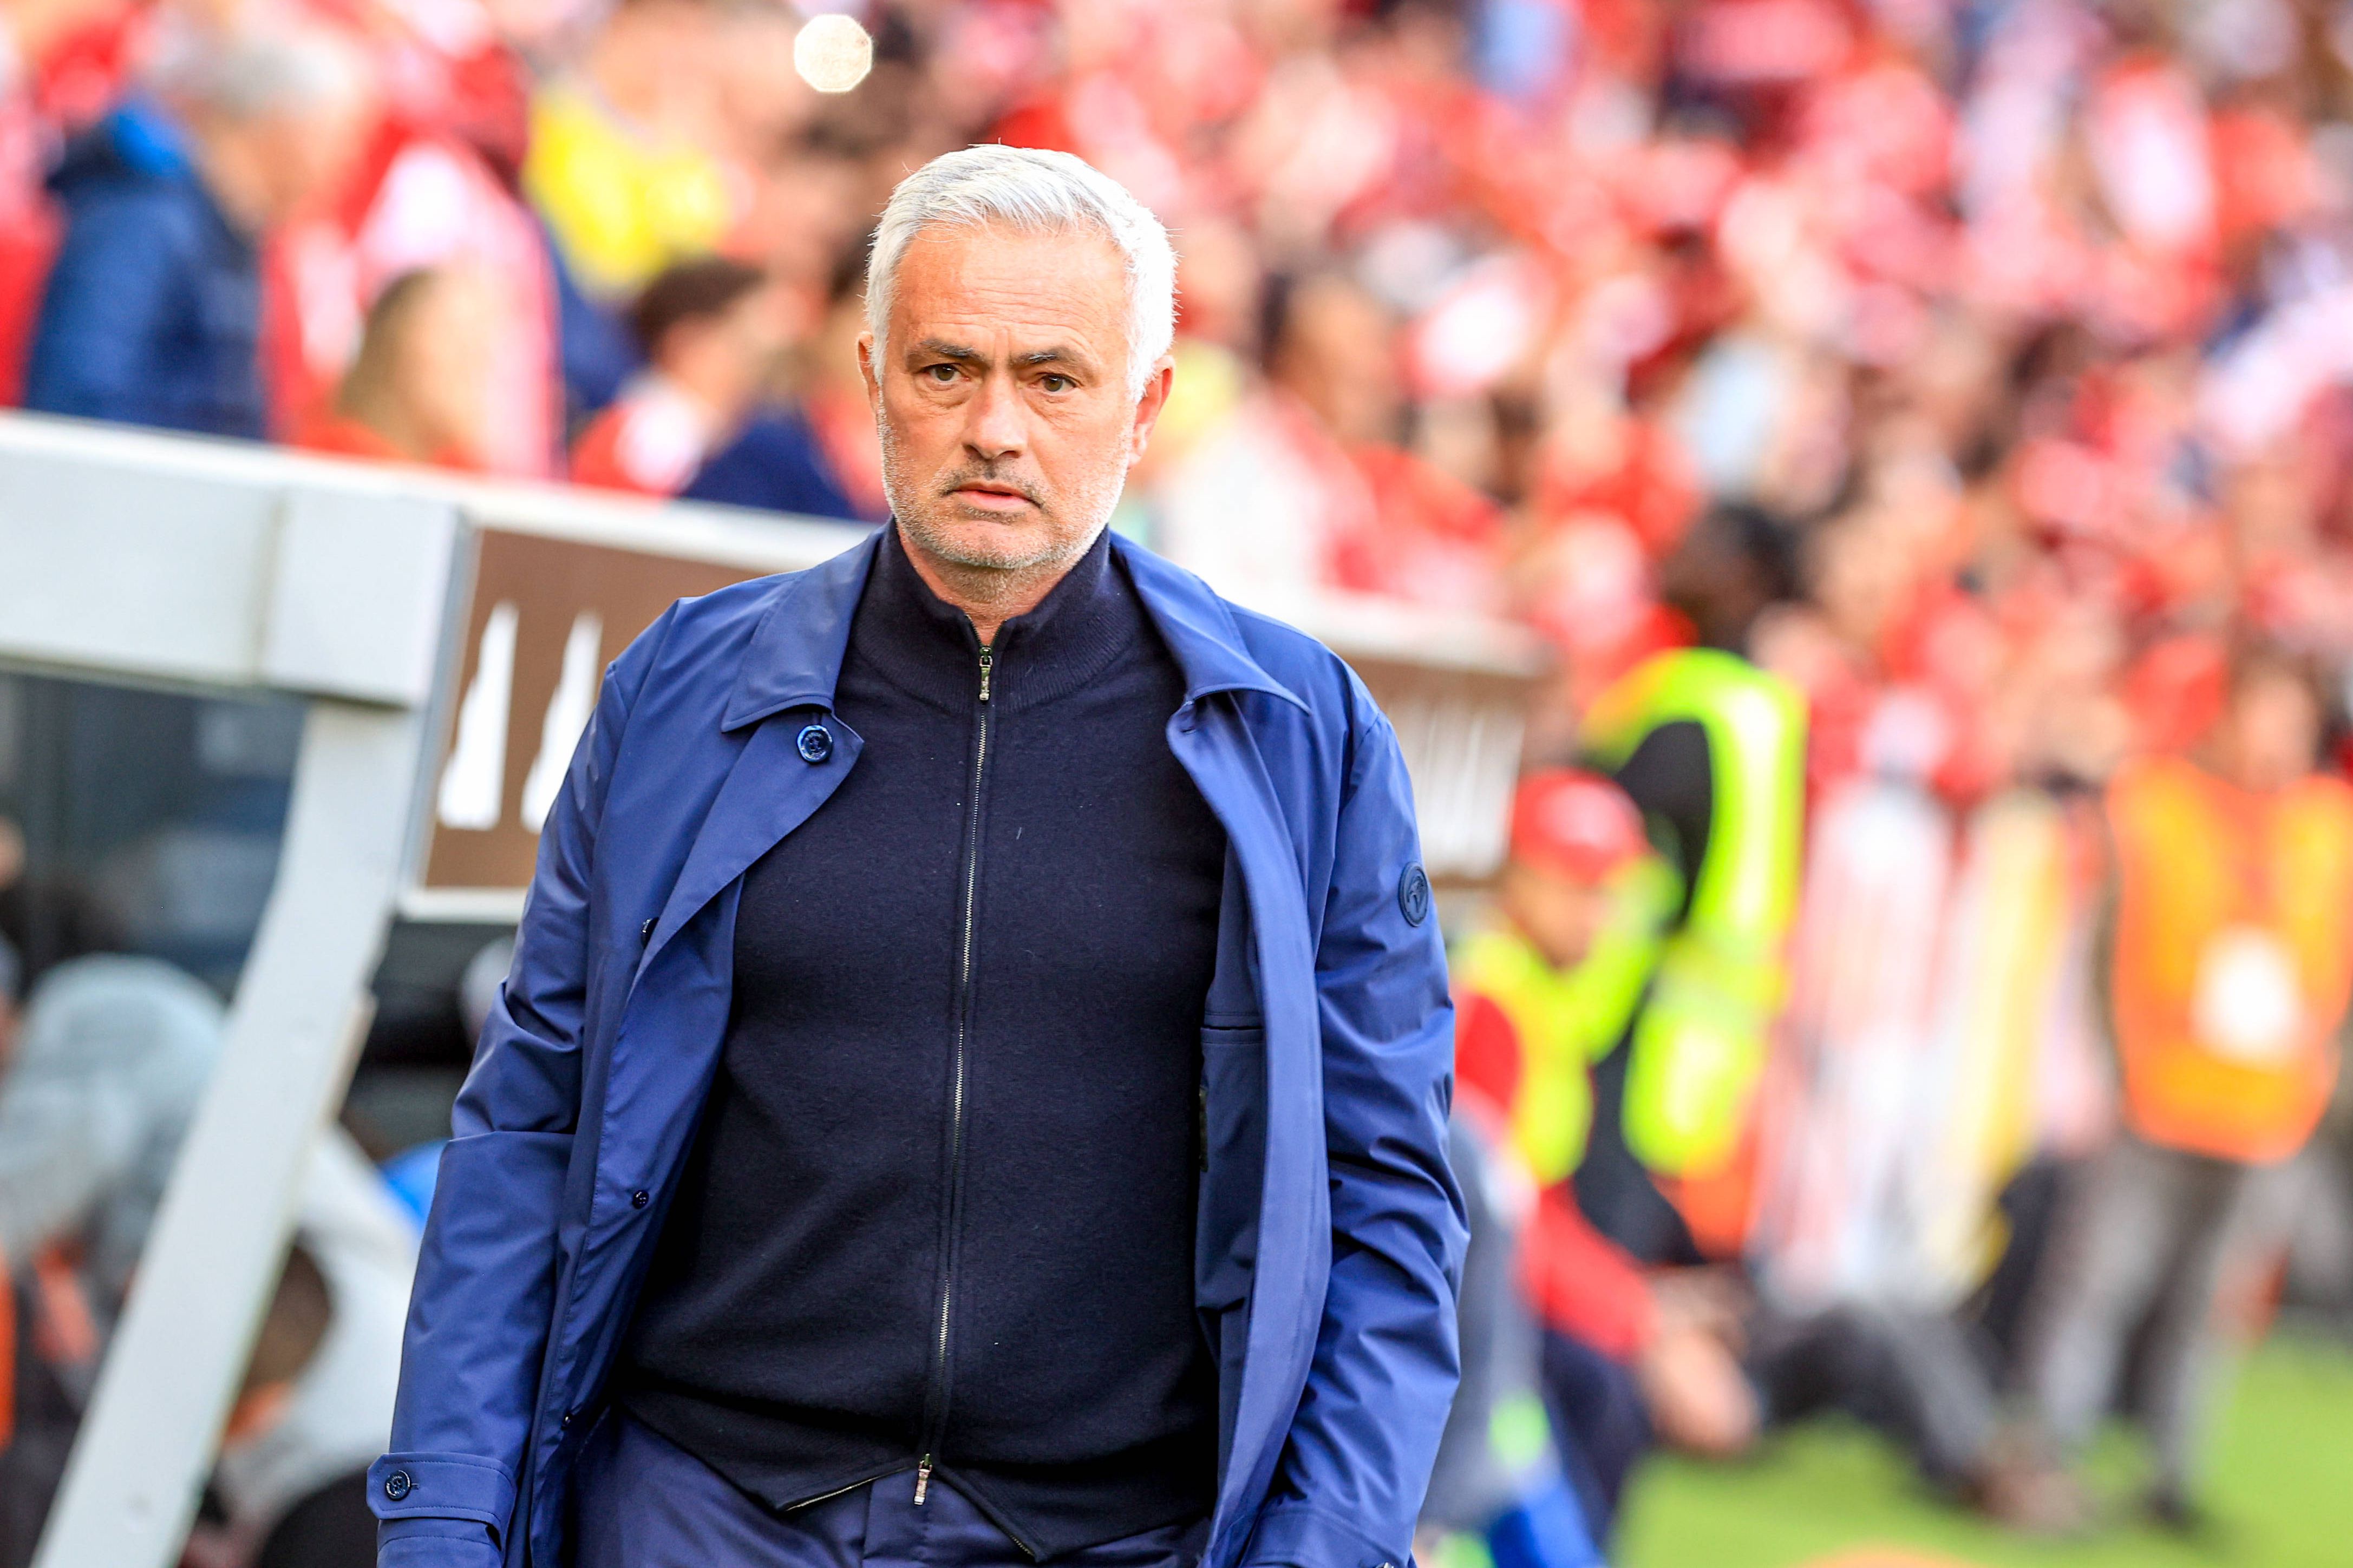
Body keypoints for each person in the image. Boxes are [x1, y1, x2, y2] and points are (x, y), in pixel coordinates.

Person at [371, 145, 1465, 1568]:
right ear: (872, 375)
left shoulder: (1297, 734)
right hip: (702, 1511)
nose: (994, 427)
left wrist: (1323, 1548)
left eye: (1053, 379)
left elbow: (1384, 1195)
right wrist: (448, 1519)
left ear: (1144, 410)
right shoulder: (682, 695)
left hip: (1108, 1532)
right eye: (947, 370)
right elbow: (530, 1125)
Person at [2019, 645, 2353, 1528]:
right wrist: (2114, 1059)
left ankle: (2171, 1467)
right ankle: (2049, 1451)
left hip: (2270, 1104)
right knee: (2100, 1280)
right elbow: (2102, 942)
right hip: (2161, 1090)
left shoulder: (2328, 824)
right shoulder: (2157, 802)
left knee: (2211, 1303)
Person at [21, 23, 371, 438]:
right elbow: (76, 398)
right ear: (285, 127)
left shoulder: (231, 235)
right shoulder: (146, 222)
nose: (349, 166)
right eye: (341, 141)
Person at [568, 256, 789, 497]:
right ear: (685, 343)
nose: (757, 373)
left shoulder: (719, 439)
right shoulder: (648, 437)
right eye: (748, 348)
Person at [295, 267, 496, 471]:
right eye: (455, 339)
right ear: (396, 346)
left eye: (480, 342)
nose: (475, 361)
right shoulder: (332, 466)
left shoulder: (459, 470)